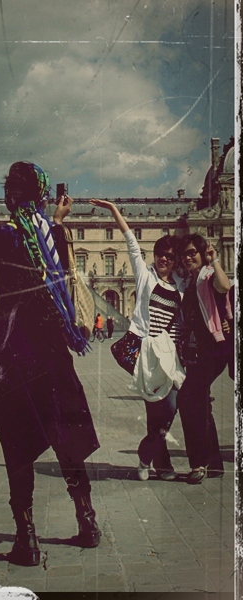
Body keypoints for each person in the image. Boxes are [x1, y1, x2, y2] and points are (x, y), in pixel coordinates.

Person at [0, 161, 100, 567]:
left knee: (18, 443)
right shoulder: (54, 234)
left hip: (13, 352)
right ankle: (87, 521)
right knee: (66, 435)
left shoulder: (1, 235)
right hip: (52, 350)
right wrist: (57, 219)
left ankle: (26, 539)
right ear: (42, 197)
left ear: (10, 195)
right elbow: (60, 264)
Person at [90, 199, 186, 482]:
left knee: (170, 409)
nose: (164, 259)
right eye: (160, 254)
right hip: (147, 352)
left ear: (175, 259)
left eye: (169, 256)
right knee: (156, 413)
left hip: (171, 354)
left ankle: (146, 458)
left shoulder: (181, 284)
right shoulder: (145, 276)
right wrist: (113, 209)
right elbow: (131, 241)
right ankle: (160, 466)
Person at [177, 235, 232, 484]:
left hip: (213, 349)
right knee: (199, 402)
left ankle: (198, 463)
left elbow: (224, 286)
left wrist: (215, 260)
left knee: (188, 398)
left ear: (202, 253)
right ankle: (215, 464)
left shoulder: (208, 275)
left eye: (192, 253)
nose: (187, 257)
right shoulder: (191, 281)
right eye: (184, 254)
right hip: (200, 351)